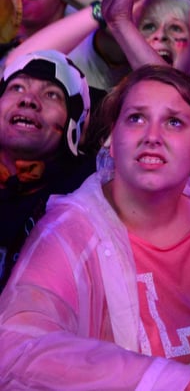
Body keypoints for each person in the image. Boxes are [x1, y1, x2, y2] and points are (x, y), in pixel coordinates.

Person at [0, 65, 190, 389]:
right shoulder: (70, 234)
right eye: (136, 118)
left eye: (174, 122)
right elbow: (12, 349)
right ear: (110, 137)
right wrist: (165, 380)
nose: (152, 136)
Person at [0, 50, 91, 290]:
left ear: (75, 122)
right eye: (17, 87)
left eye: (52, 94)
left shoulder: (87, 186)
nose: (28, 100)